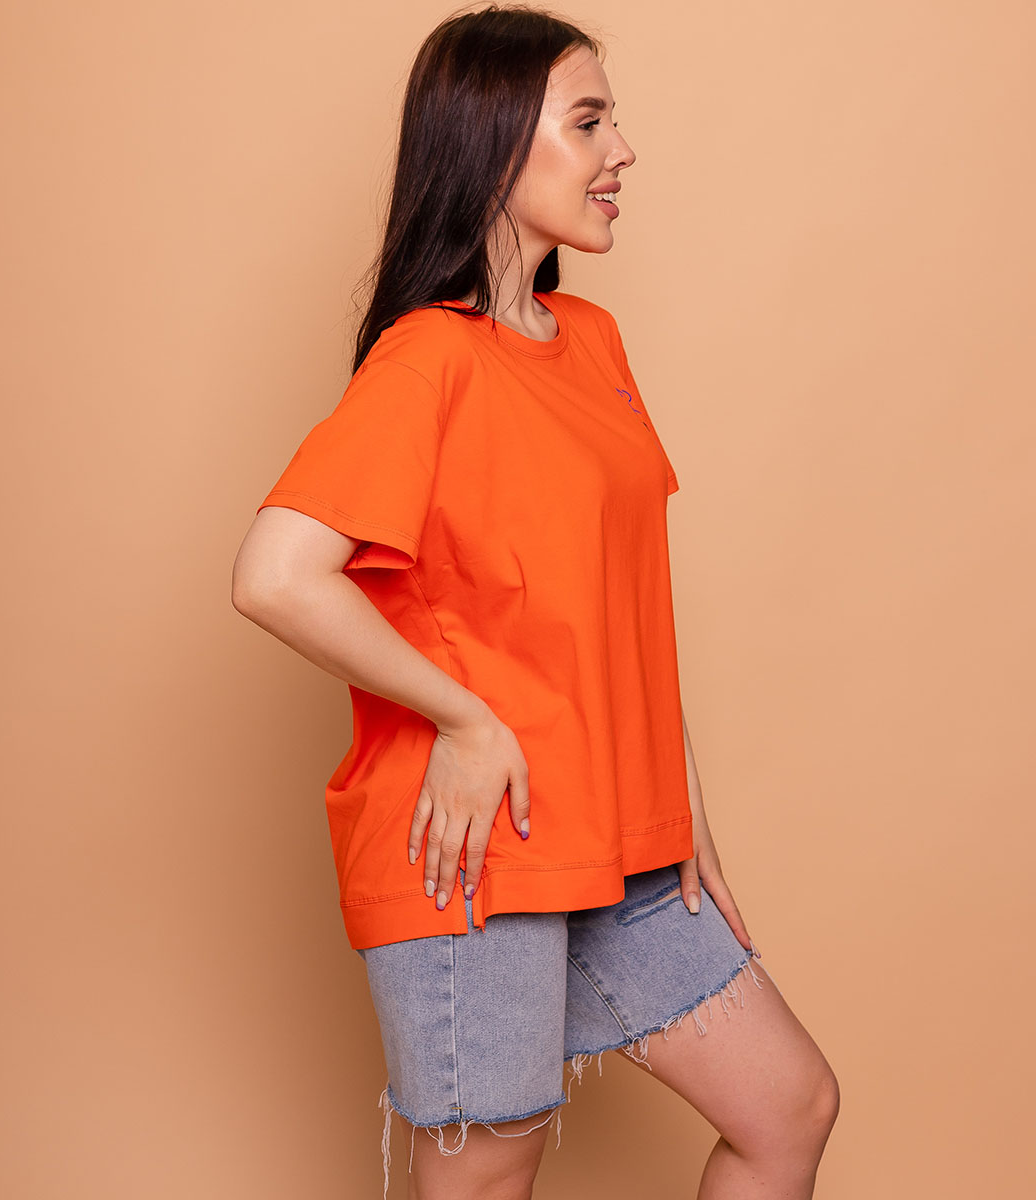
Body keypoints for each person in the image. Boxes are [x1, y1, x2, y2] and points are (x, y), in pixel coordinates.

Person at [231, 5, 839, 1198]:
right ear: (495, 141)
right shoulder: (428, 358)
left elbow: (612, 603)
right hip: (472, 847)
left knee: (787, 1105)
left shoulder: (593, 342)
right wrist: (465, 718)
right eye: (588, 122)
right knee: (486, 1175)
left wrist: (683, 809)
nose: (621, 153)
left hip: (617, 833)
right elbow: (274, 574)